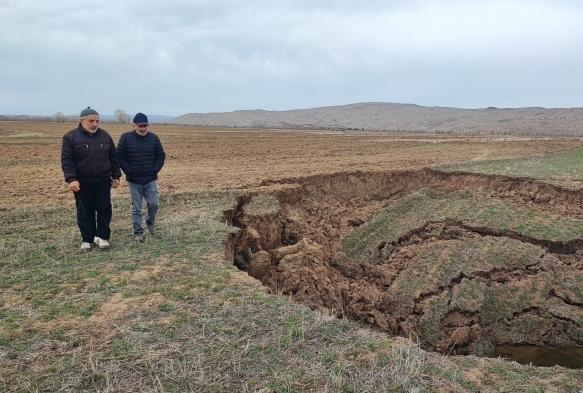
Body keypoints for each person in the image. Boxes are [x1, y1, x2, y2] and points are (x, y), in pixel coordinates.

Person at [61, 107, 121, 250]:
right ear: (82, 121)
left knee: (104, 209)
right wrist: (71, 179)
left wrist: (116, 175)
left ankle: (101, 237)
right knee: (84, 211)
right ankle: (87, 239)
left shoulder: (105, 136)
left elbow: (114, 157)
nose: (94, 124)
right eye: (91, 121)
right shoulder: (70, 137)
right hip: (82, 182)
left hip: (103, 180)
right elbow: (67, 161)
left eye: (97, 121)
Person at [117, 113, 166, 242]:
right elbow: (120, 156)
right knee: (136, 208)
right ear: (134, 126)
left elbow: (160, 155)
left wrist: (154, 169)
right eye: (140, 126)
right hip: (134, 180)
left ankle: (150, 221)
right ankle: (138, 231)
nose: (143, 128)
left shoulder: (153, 138)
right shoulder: (126, 138)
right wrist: (129, 171)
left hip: (151, 179)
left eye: (145, 126)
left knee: (154, 204)